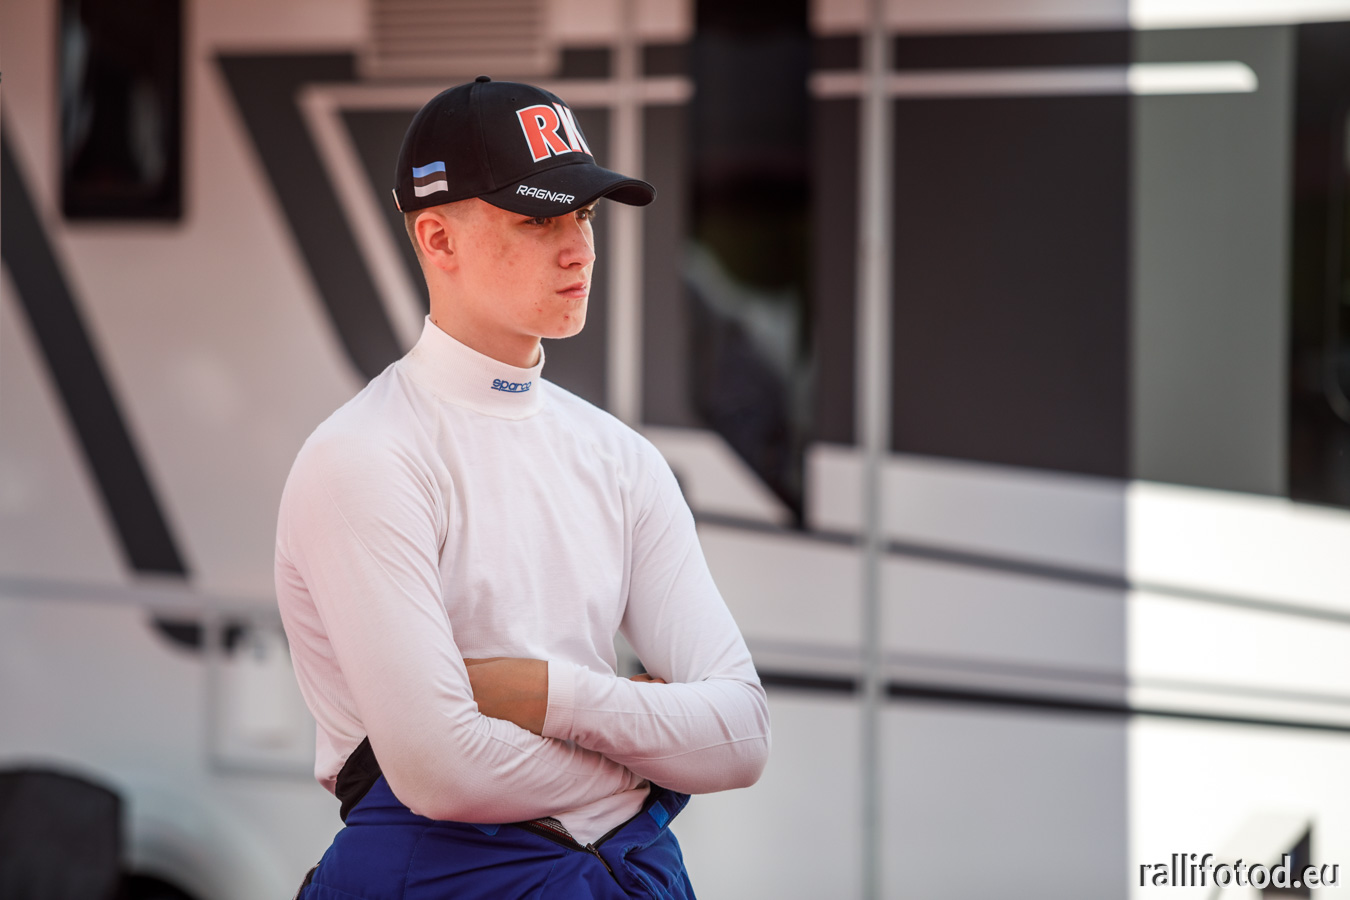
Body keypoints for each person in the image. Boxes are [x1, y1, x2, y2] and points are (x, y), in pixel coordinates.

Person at [274, 76, 771, 900]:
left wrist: (544, 694)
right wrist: (642, 757)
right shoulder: (362, 456)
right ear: (438, 238)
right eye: (540, 220)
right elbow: (440, 771)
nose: (581, 249)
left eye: (586, 215)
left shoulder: (621, 457)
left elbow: (742, 738)